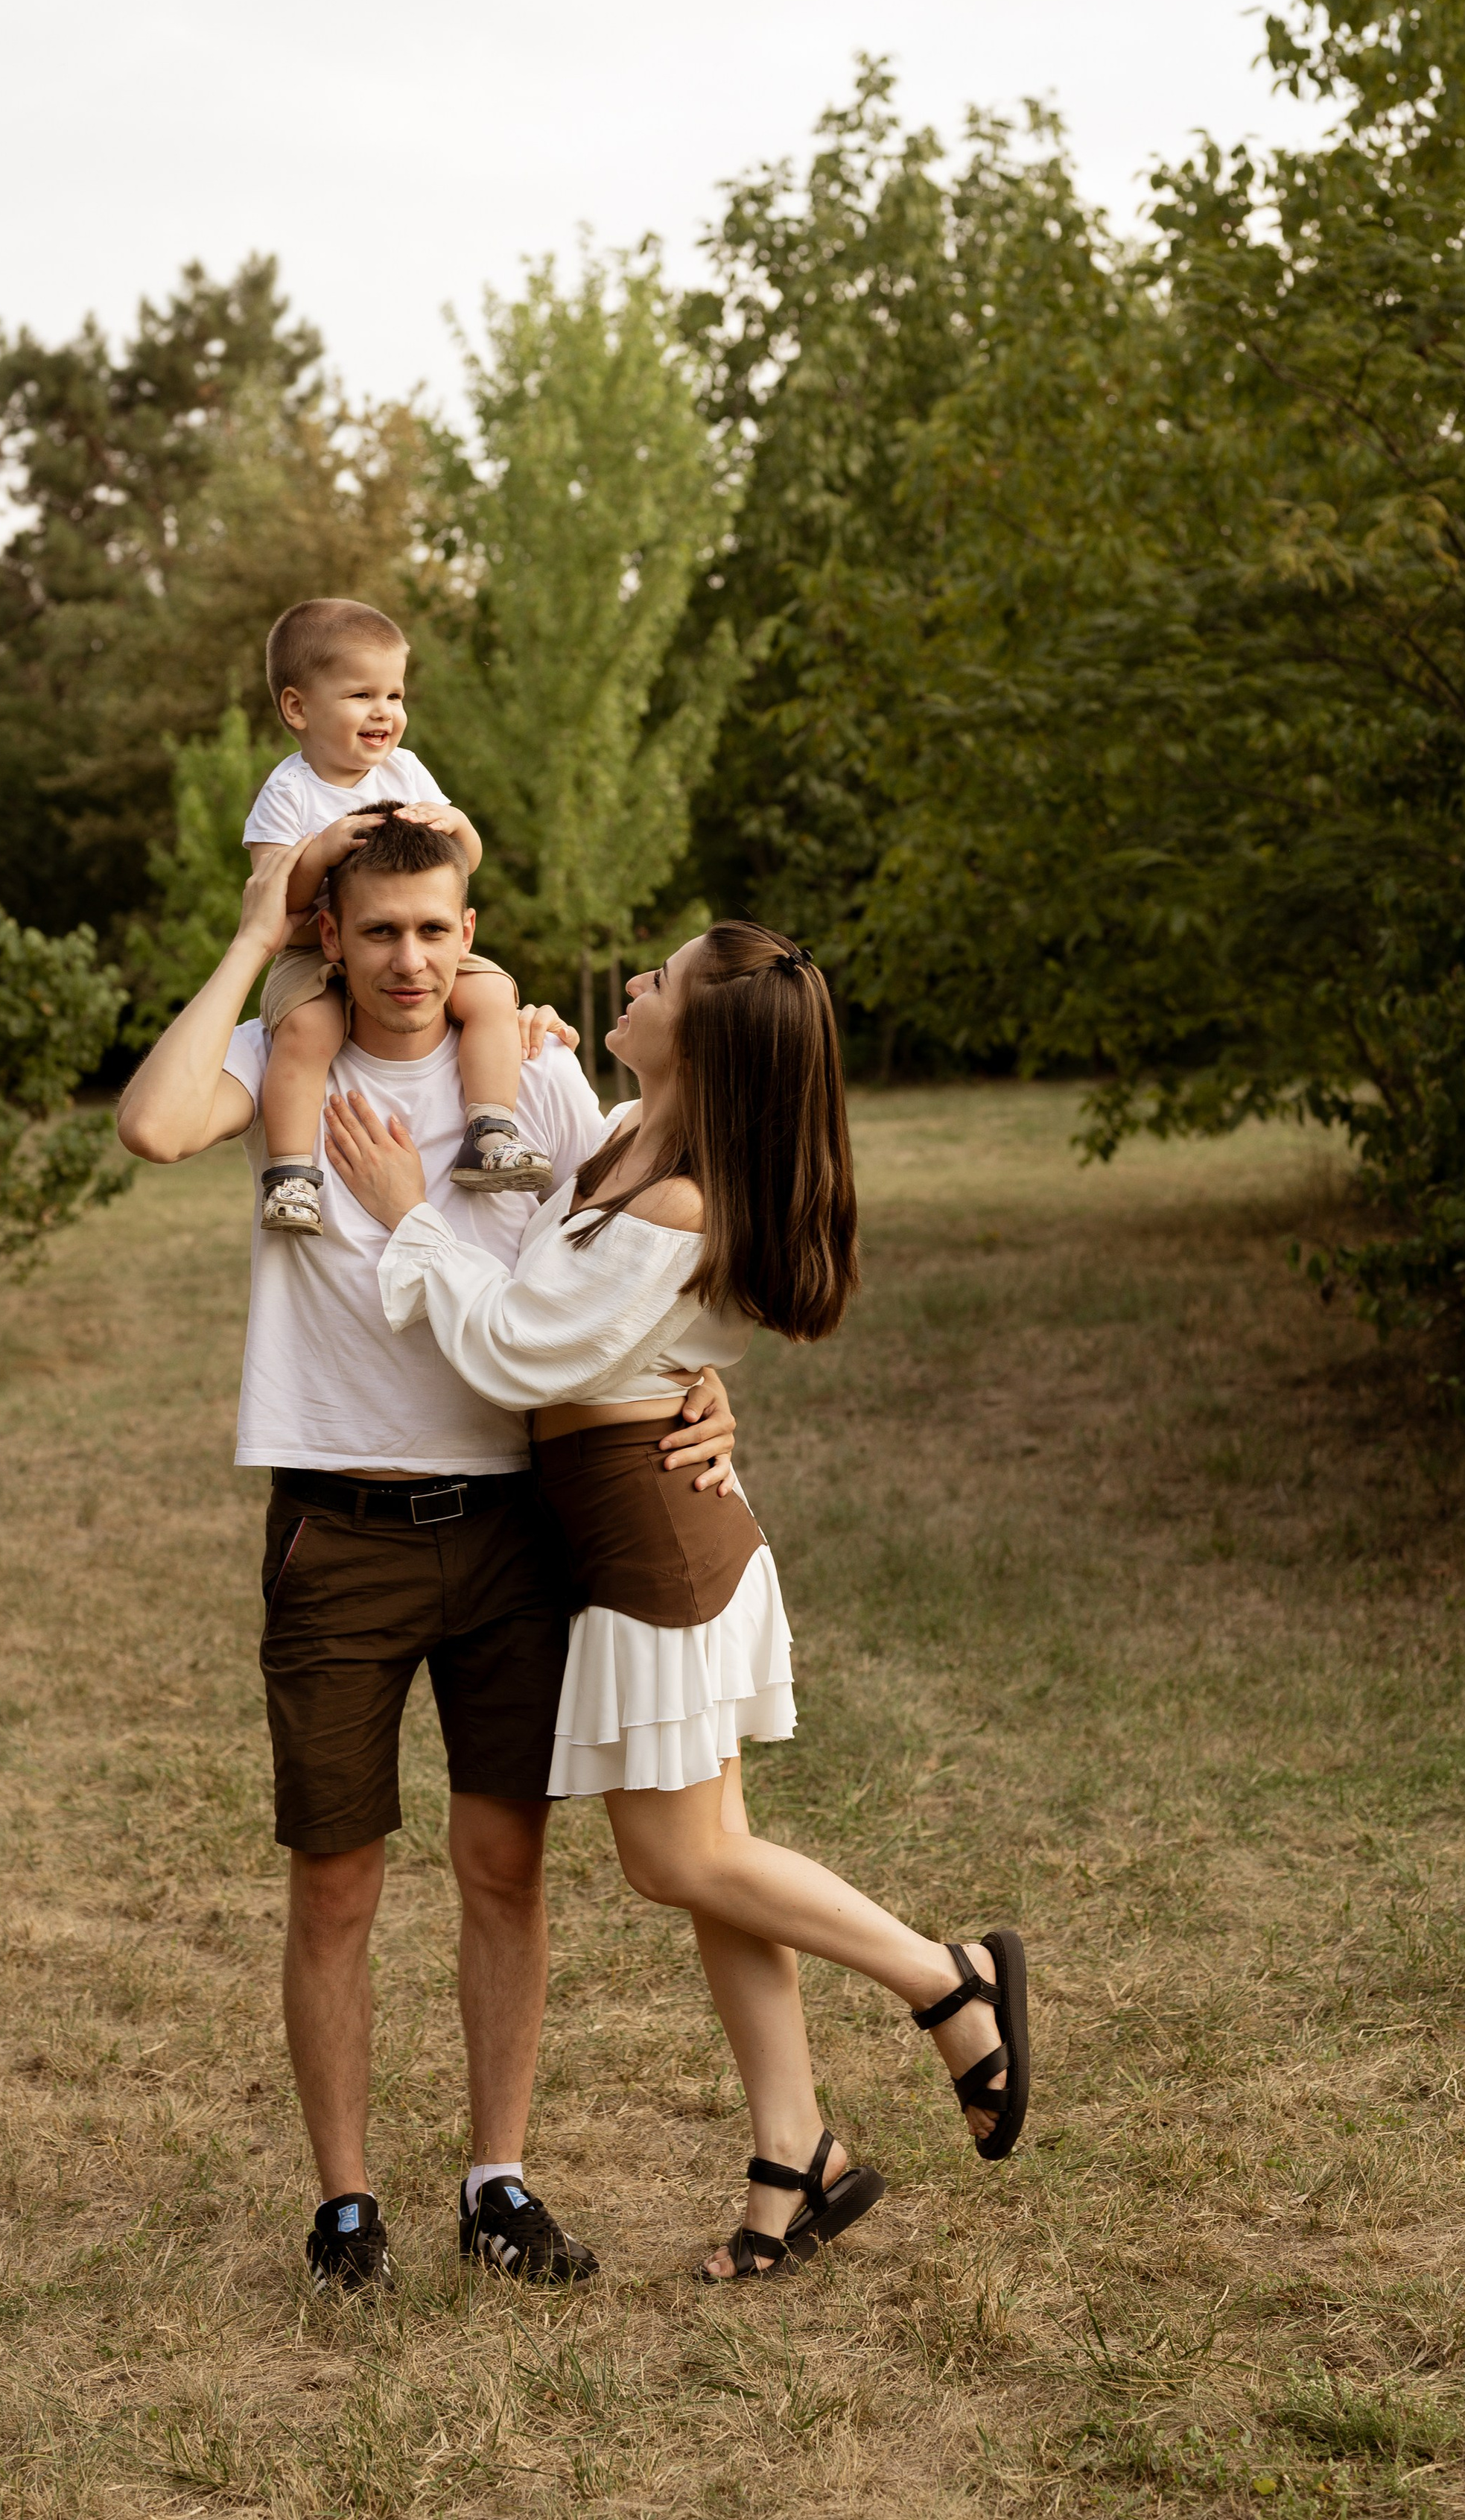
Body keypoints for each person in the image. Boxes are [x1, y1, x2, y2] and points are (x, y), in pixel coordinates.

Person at [324, 921, 1032, 2284]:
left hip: (654, 1541)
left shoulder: (680, 1201)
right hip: (640, 1517)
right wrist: (520, 1065)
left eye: (660, 981)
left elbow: (523, 1342)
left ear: (698, 1035)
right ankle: (795, 2160)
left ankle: (947, 1977)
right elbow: (580, 1290)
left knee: (677, 1859)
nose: (634, 986)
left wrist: (407, 1206)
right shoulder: (638, 1129)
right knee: (719, 1862)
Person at [115, 817, 742, 2297]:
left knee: (501, 1866)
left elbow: (642, 1251)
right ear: (340, 936)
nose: (409, 960)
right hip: (336, 1530)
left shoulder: (527, 1076)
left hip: (514, 1529)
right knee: (334, 1883)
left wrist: (711, 1384)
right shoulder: (291, 1069)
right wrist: (256, 928)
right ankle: (344, 2203)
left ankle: (495, 2178)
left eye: (436, 931)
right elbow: (147, 1124)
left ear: (470, 935)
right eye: (380, 929)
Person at [244, 595, 549, 1237]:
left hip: (405, 933)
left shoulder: (406, 770)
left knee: (492, 993)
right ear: (298, 707)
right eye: (361, 694)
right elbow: (274, 899)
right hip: (312, 950)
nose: (385, 711)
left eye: (395, 694)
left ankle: (491, 1127)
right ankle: (293, 1174)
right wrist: (319, 852)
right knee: (305, 1034)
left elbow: (459, 864)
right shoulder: (289, 792)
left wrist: (461, 827)